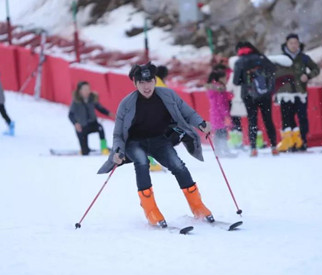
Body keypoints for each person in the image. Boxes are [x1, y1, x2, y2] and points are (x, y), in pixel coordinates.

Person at [98, 62, 213, 228]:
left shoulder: (167, 95)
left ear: (154, 80)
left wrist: (201, 123)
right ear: (135, 84)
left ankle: (197, 206)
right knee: (142, 163)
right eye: (142, 83)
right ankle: (150, 209)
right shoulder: (126, 104)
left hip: (159, 140)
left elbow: (187, 112)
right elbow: (118, 134)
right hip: (134, 142)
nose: (147, 86)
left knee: (178, 165)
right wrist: (117, 152)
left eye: (150, 81)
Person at [232, 41, 278, 157]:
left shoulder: (239, 62)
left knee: (252, 120)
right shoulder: (261, 58)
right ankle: (274, 147)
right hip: (265, 94)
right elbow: (273, 70)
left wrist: (246, 77)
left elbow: (236, 82)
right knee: (268, 119)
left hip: (248, 95)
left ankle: (253, 148)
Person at [276, 33, 320, 151]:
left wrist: (308, 76)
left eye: (296, 43)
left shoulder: (304, 58)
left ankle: (303, 141)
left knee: (302, 117)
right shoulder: (281, 59)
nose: (294, 45)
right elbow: (273, 75)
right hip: (285, 93)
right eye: (291, 43)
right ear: (286, 44)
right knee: (287, 118)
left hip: (300, 93)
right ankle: (289, 142)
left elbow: (316, 69)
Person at [68, 81, 112, 155]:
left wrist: (109, 114)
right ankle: (85, 149)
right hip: (82, 127)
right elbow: (70, 115)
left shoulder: (92, 99)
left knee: (100, 128)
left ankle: (104, 148)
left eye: (88, 89)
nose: (87, 91)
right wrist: (75, 124)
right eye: (85, 89)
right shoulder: (75, 101)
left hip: (93, 124)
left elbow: (100, 108)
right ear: (80, 91)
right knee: (85, 152)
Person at [206, 70, 237, 157]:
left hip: (215, 113)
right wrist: (226, 115)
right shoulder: (219, 89)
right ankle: (224, 150)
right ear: (219, 78)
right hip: (220, 114)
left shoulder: (213, 87)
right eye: (224, 77)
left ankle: (219, 151)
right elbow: (221, 103)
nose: (226, 79)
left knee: (218, 133)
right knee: (222, 133)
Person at [226, 56, 247, 148]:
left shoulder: (233, 74)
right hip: (247, 100)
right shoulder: (247, 73)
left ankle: (236, 141)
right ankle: (257, 141)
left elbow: (229, 88)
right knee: (252, 121)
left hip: (235, 101)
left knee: (235, 122)